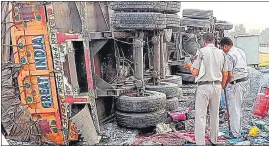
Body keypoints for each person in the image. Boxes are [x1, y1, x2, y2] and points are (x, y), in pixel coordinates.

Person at [184, 33, 228, 145]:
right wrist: (221, 86)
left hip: (204, 87)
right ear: (213, 41)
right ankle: (214, 140)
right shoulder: (222, 53)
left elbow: (195, 72)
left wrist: (189, 65)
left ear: (204, 42)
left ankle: (200, 143)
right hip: (217, 86)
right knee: (215, 115)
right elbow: (226, 74)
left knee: (201, 116)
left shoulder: (201, 52)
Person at [220, 37, 249, 138]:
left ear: (226, 46)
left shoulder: (229, 56)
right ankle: (237, 129)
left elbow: (229, 75)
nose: (222, 50)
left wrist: (224, 83)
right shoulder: (240, 51)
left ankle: (235, 133)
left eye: (222, 48)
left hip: (236, 83)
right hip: (244, 80)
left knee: (234, 108)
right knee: (238, 107)